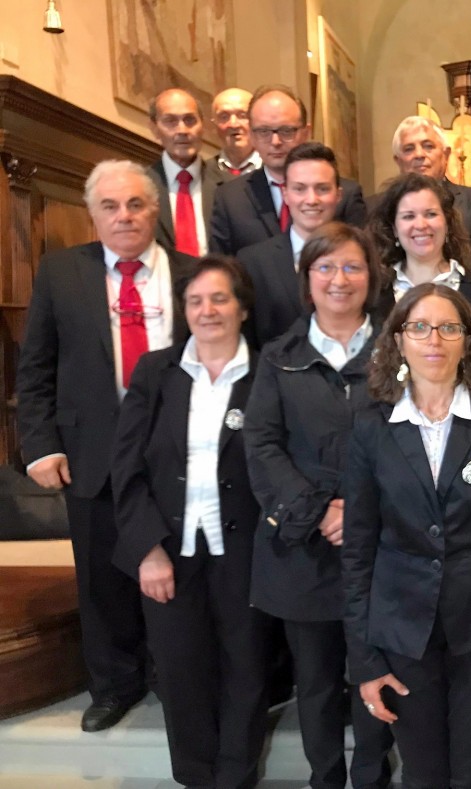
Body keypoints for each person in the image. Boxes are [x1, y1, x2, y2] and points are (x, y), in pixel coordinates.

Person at [16, 159, 195, 732]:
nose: (124, 216)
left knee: (176, 572)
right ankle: (114, 685)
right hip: (90, 452)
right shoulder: (60, 273)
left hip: (176, 455)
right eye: (110, 206)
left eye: (136, 204)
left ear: (155, 209)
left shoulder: (194, 275)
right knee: (101, 577)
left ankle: (173, 677)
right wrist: (40, 446)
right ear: (93, 214)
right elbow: (36, 366)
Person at [342, 283, 471, 788]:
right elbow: (358, 549)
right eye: (421, 327)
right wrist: (364, 660)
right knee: (424, 772)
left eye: (449, 327)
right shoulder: (370, 426)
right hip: (401, 632)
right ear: (399, 341)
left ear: (467, 340)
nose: (435, 338)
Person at [111, 257, 270, 789]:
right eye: (196, 301)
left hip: (247, 551)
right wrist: (146, 550)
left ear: (242, 308)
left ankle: (236, 778)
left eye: (220, 299)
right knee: (181, 673)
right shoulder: (156, 373)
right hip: (170, 552)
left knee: (245, 673)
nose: (208, 311)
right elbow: (127, 467)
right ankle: (197, 779)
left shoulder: (270, 372)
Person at [244, 222, 390, 789]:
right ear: (307, 280)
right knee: (319, 682)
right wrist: (321, 512)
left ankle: (373, 777)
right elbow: (261, 443)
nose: (339, 279)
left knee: (376, 673)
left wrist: (361, 512)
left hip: (380, 549)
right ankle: (325, 778)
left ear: (371, 277)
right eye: (325, 268)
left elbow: (413, 438)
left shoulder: (397, 350)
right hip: (304, 550)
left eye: (352, 266)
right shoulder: (279, 357)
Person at [210, 84, 366, 255]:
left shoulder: (345, 196)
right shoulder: (231, 199)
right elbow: (222, 271)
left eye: (286, 131)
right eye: (264, 131)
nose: (275, 141)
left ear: (306, 132)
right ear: (252, 136)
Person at [369, 172, 471, 352]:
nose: (421, 225)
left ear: (447, 224)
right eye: (408, 216)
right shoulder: (373, 297)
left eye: (430, 214)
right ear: (394, 229)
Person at [237, 142, 344, 348]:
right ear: (285, 194)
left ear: (338, 195)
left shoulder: (362, 259)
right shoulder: (252, 263)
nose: (311, 200)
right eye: (300, 189)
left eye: (322, 189)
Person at [389, 116, 471, 249]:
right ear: (398, 160)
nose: (419, 154)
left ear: (446, 155)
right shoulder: (378, 207)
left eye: (428, 146)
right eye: (409, 149)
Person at [147, 88, 226, 257]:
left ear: (202, 126)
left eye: (190, 120)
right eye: (170, 121)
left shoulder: (229, 186)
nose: (182, 130)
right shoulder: (140, 186)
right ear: (154, 129)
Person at [209, 88, 261, 177]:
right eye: (224, 117)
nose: (233, 124)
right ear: (214, 125)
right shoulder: (202, 174)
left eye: (242, 116)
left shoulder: (277, 170)